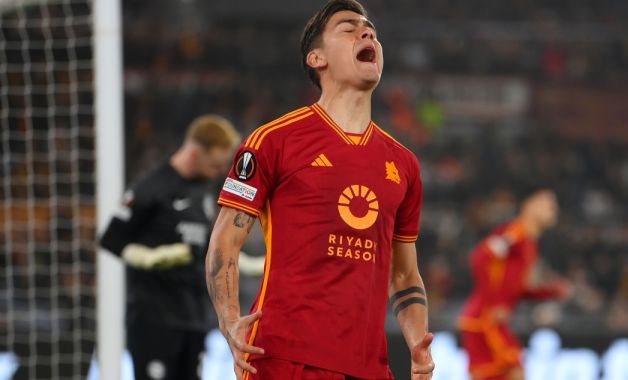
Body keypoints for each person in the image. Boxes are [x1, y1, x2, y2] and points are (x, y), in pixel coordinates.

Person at [205, 1, 434, 379]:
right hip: (282, 359)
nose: (368, 33)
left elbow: (405, 276)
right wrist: (229, 320)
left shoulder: (405, 164)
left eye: (371, 29)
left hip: (369, 367)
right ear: (316, 58)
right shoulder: (273, 141)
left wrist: (415, 342)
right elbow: (225, 243)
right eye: (348, 27)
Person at [99, 115, 240, 380]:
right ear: (196, 152)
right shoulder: (150, 188)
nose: (220, 171)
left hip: (195, 318)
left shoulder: (207, 191)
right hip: (153, 320)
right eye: (216, 163)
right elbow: (112, 239)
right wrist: (149, 257)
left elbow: (209, 247)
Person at [459, 190, 571, 380]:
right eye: (547, 203)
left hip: (486, 320)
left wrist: (550, 291)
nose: (554, 210)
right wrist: (494, 303)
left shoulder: (529, 244)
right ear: (529, 205)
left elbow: (515, 289)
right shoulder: (515, 233)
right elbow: (479, 258)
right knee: (515, 370)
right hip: (485, 320)